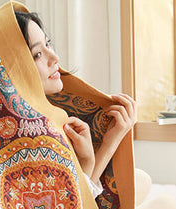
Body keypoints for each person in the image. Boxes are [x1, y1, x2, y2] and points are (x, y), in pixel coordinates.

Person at [15, 10, 138, 198]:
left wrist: (111, 140)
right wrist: (89, 160)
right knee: (163, 204)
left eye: (48, 44)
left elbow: (75, 197)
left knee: (143, 182)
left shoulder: (44, 117)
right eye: (37, 54)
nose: (55, 57)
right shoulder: (27, 132)